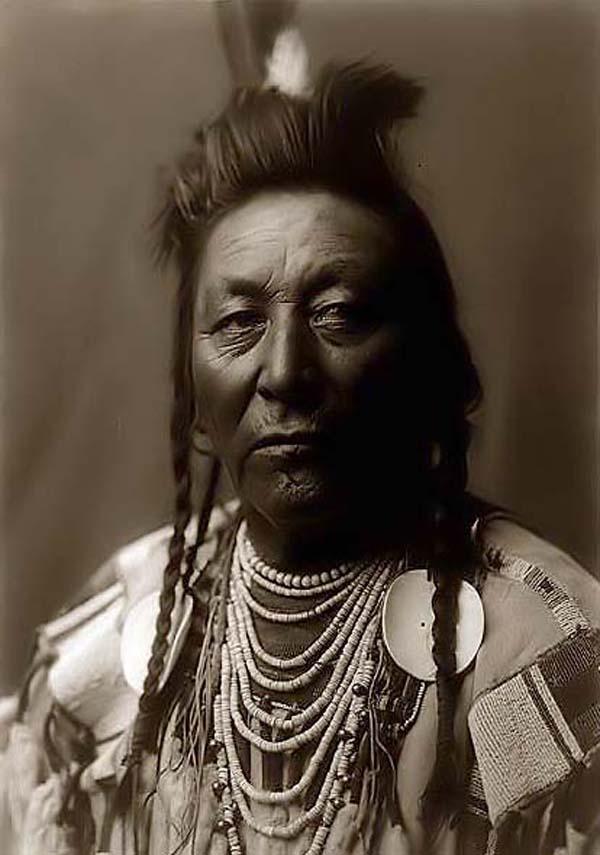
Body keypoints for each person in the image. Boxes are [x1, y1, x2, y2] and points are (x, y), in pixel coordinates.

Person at [1, 31, 599, 855]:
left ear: (426, 367)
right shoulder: (109, 664)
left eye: (341, 313)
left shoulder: (540, 662)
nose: (286, 372)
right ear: (196, 404)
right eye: (240, 322)